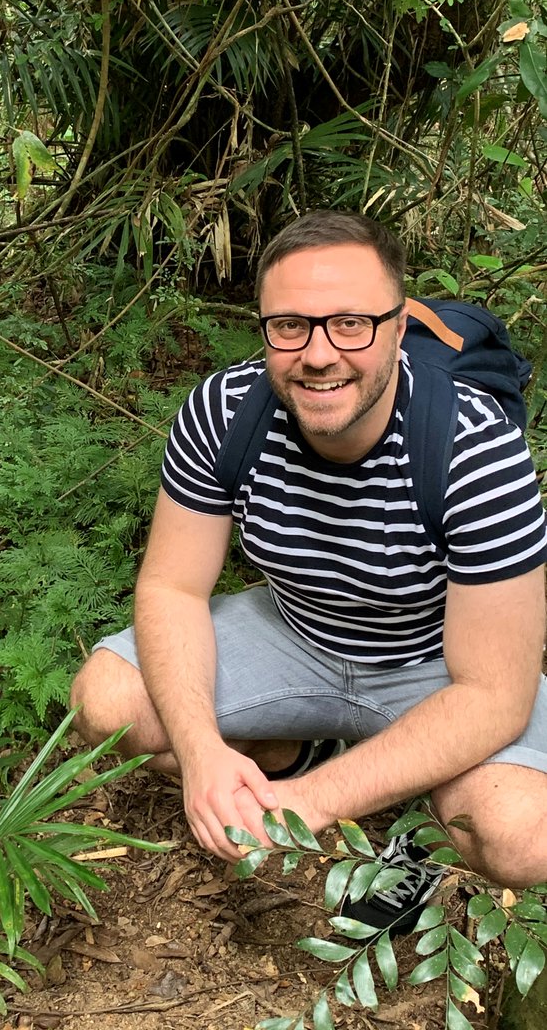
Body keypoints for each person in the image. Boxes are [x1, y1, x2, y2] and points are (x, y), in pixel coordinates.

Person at [70, 210, 547, 930]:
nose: (319, 353)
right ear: (263, 328)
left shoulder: (472, 448)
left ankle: (415, 828)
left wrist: (314, 806)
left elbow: (493, 697)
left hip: (433, 666)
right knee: (109, 702)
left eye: (351, 323)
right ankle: (299, 752)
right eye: (290, 326)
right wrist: (201, 756)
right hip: (295, 635)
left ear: (395, 324)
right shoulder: (225, 412)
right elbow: (172, 587)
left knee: (517, 833)